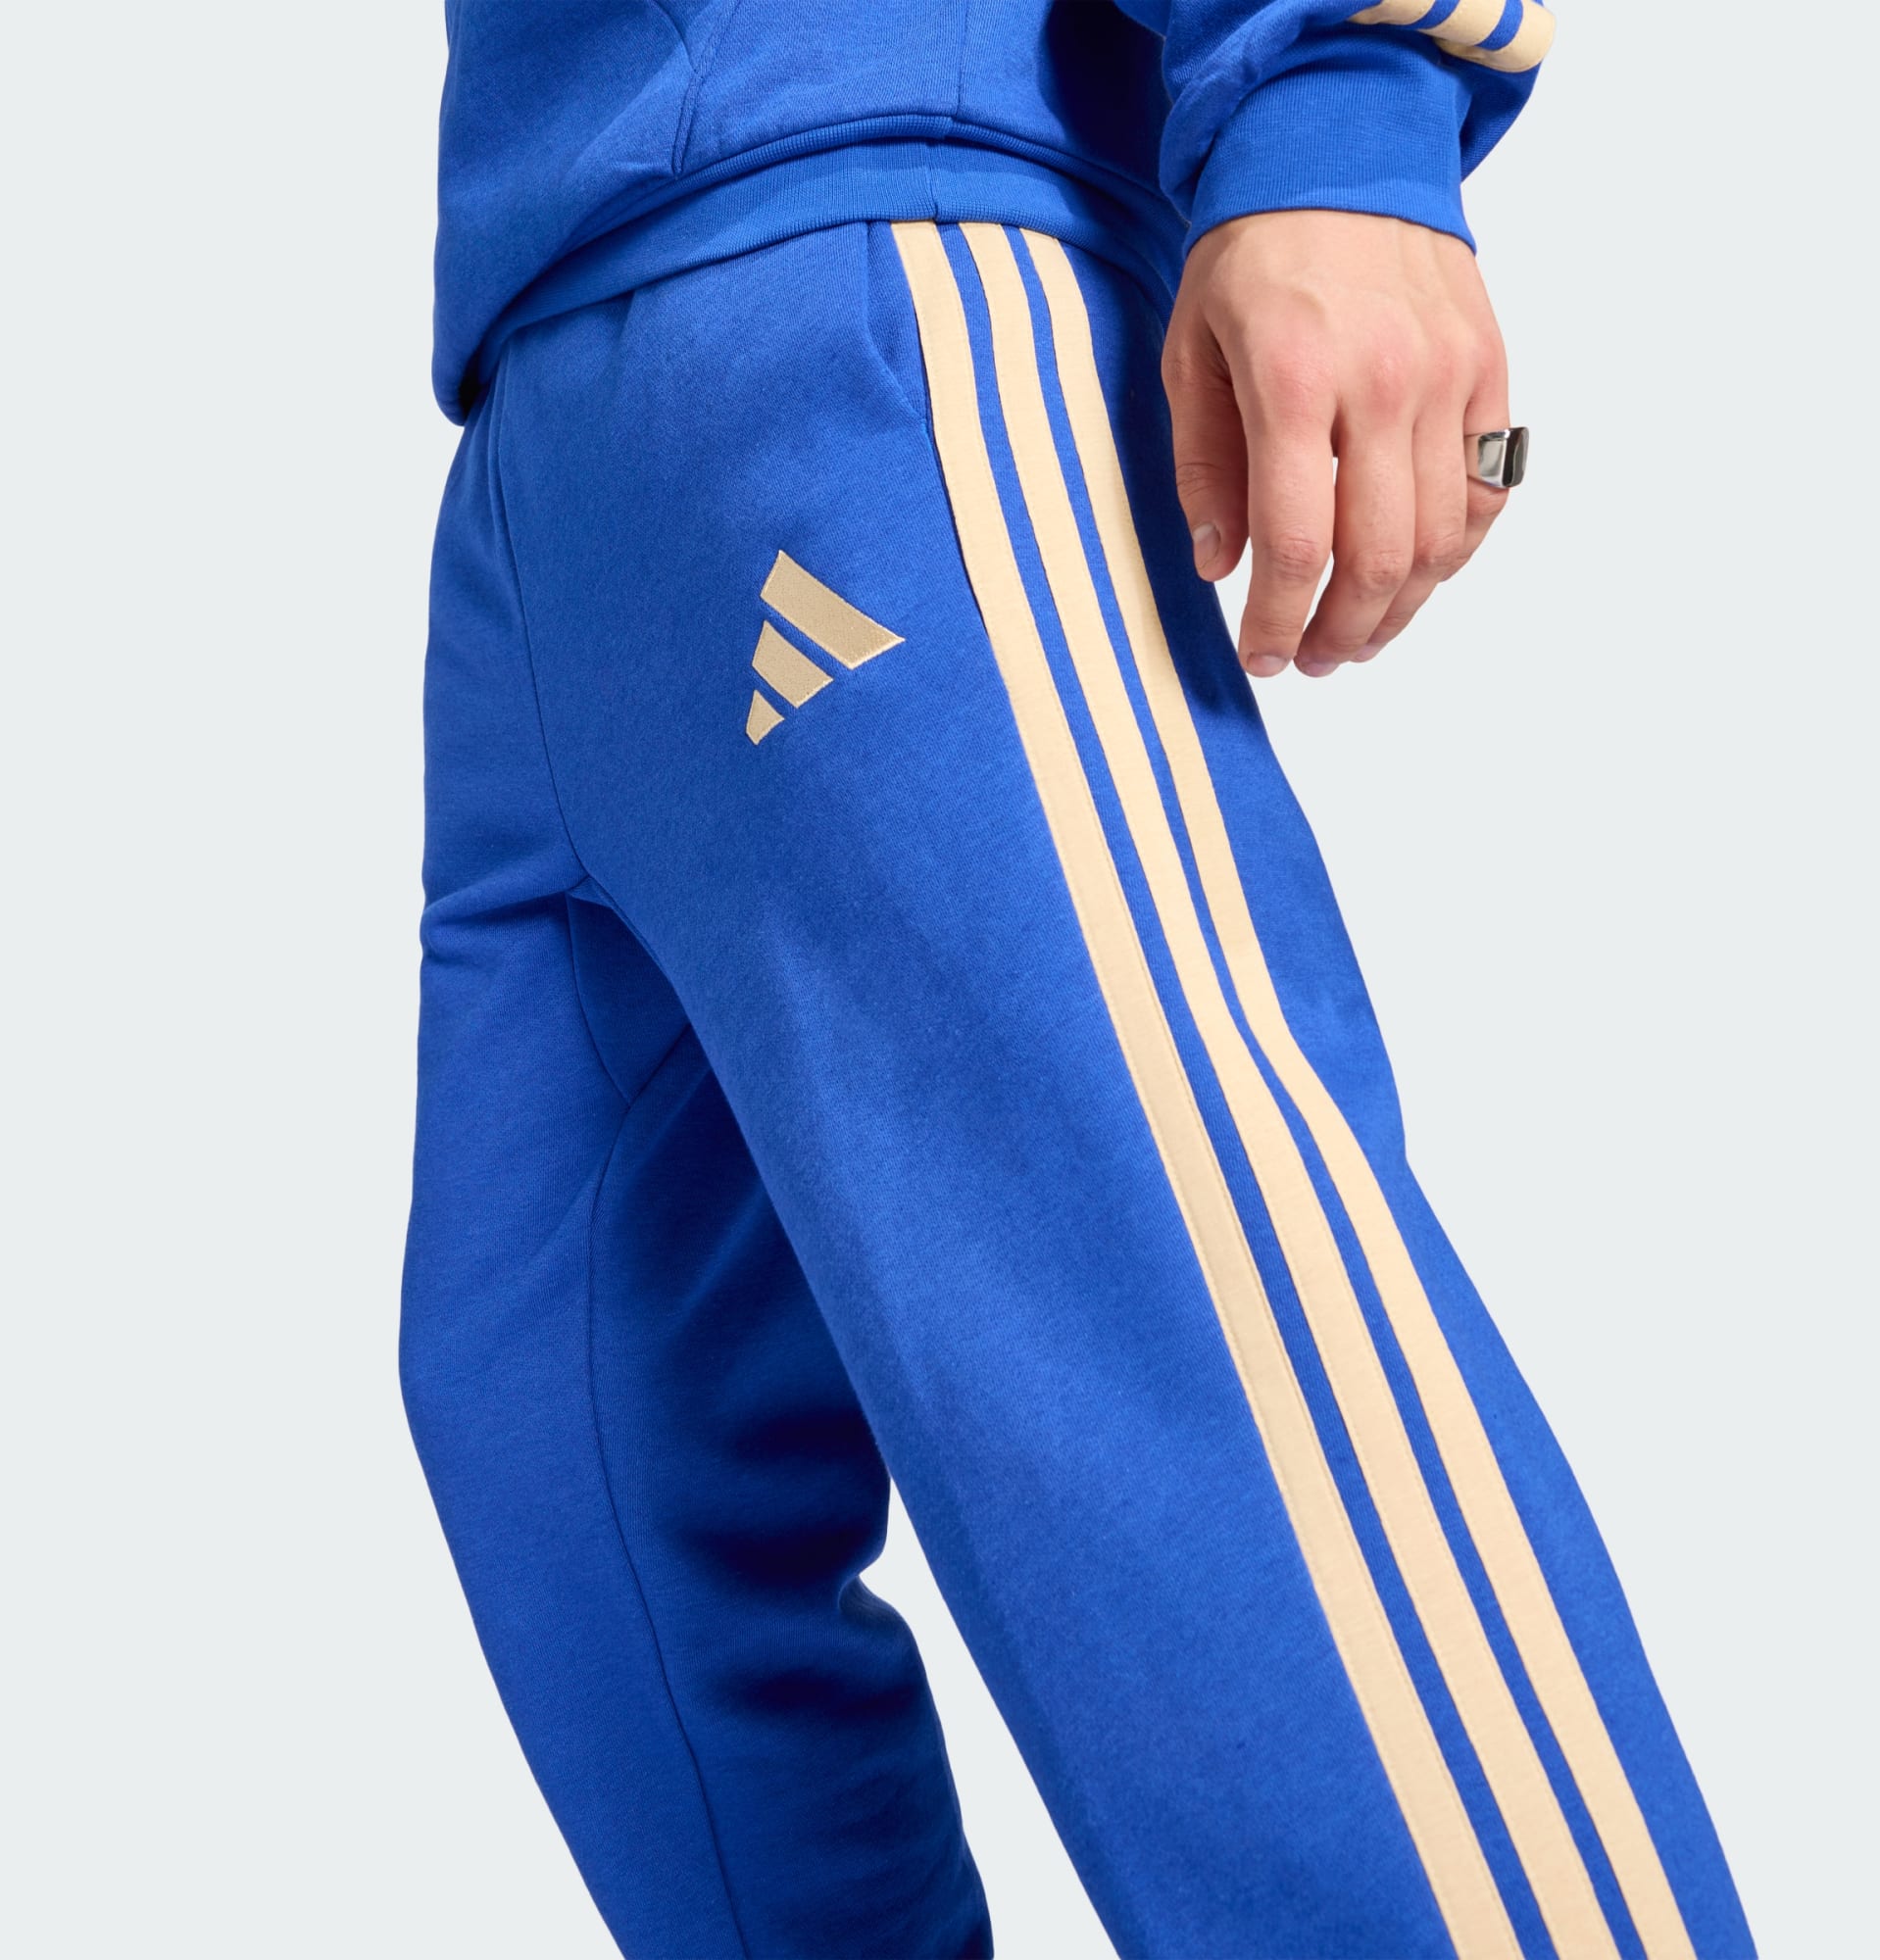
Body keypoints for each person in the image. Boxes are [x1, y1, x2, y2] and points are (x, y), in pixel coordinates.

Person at [401, 4, 1756, 1955]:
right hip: (543, 415)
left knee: (1199, 1410)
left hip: (869, 273)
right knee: (585, 1484)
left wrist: (1333, 82)